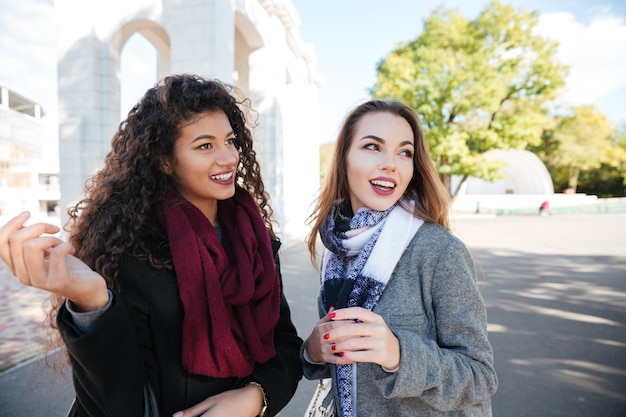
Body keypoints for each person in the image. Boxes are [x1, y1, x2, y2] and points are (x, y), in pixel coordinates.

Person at [0, 74, 303, 417]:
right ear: (165, 160)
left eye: (230, 141)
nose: (229, 157)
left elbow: (285, 346)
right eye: (205, 146)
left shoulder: (256, 240)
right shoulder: (130, 251)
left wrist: (255, 398)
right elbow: (122, 404)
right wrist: (92, 301)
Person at [301, 99, 498, 416]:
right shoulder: (337, 249)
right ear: (344, 160)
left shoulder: (438, 250)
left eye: (405, 152)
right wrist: (313, 349)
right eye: (373, 146)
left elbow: (479, 377)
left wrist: (398, 354)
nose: (391, 163)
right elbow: (343, 365)